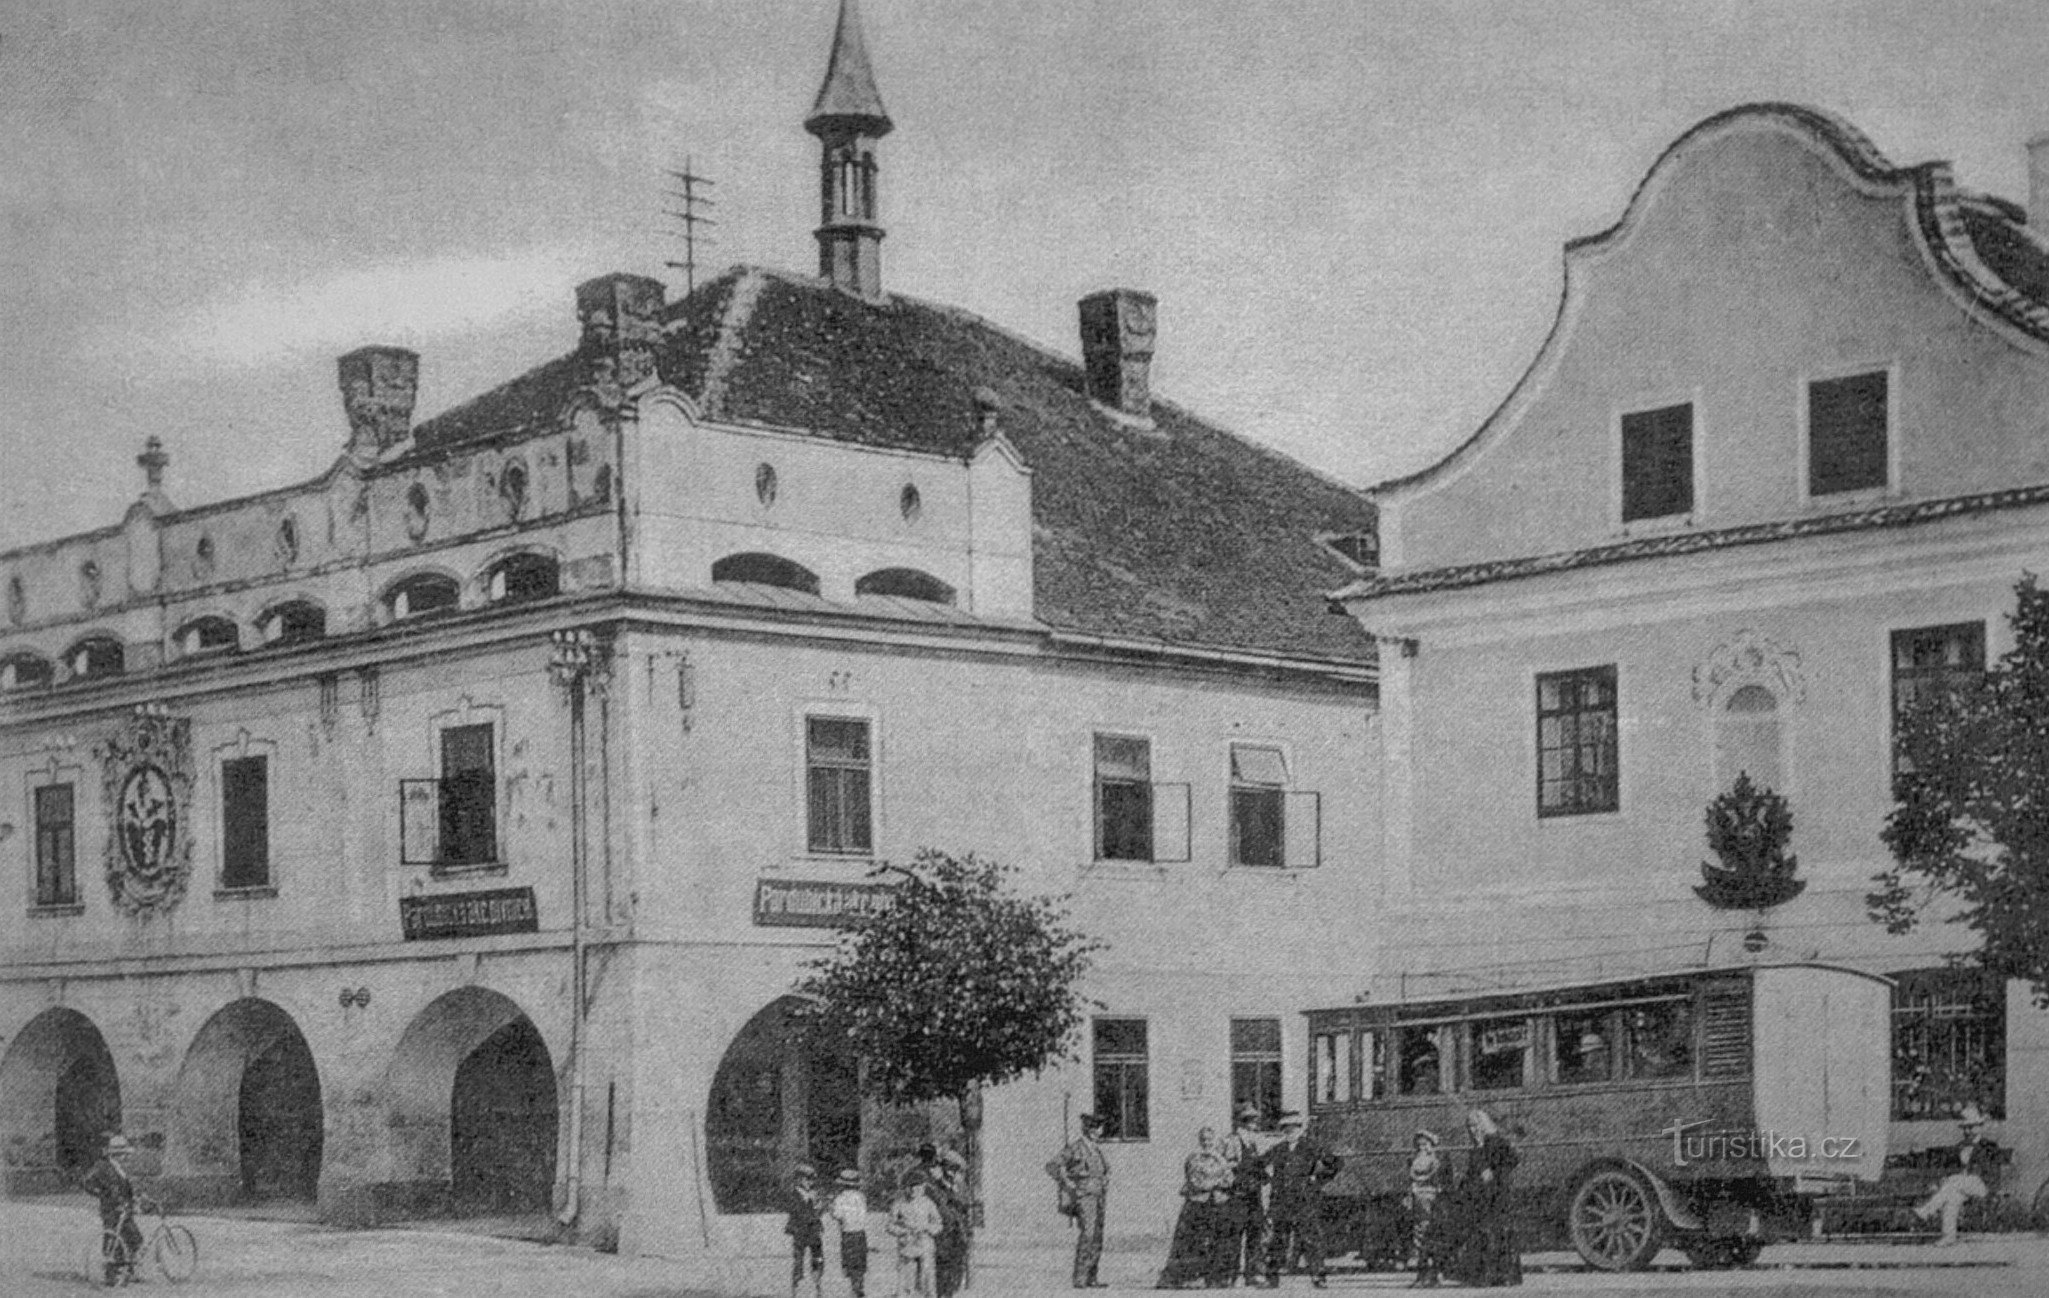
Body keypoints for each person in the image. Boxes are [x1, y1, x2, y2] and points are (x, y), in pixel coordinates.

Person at [1263, 1111, 1343, 1288]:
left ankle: (1318, 1276)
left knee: (1311, 1239)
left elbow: (1336, 1163)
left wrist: (1318, 1180)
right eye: (1286, 1128)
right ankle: (1272, 1277)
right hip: (1282, 1201)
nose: (1290, 1131)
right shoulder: (1278, 1149)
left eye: (1294, 1128)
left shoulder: (1311, 1147)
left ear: (1300, 1129)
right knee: (1278, 1239)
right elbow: (1260, 1165)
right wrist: (1267, 1179)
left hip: (1304, 1201)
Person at [1444, 1109, 1521, 1288]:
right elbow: (1473, 1172)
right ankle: (1489, 1275)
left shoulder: (1496, 1141)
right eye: (1469, 1126)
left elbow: (1513, 1160)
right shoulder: (1478, 1146)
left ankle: (1497, 1275)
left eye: (1475, 1125)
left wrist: (1495, 1173)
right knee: (1485, 1233)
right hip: (1482, 1197)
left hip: (1497, 1195)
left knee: (1493, 1233)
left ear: (1483, 1124)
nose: (1472, 1129)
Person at [1156, 1126, 1232, 1289]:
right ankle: (1190, 1277)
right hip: (1197, 1203)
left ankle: (1213, 1278)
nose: (1207, 1143)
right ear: (1200, 1141)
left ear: (1215, 1141)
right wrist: (1214, 1183)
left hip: (1216, 1203)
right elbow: (1194, 1180)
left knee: (1216, 1240)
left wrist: (1217, 1184)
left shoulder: (1220, 1158)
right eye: (1204, 1140)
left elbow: (1229, 1179)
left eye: (1210, 1140)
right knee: (1193, 1241)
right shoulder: (1194, 1158)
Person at [1914, 1105, 1999, 1246]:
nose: (1967, 1131)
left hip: (1981, 1185)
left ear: (1979, 1127)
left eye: (1970, 1127)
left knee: (1954, 1181)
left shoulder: (1988, 1146)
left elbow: (1991, 1171)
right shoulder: (1960, 1146)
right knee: (1952, 1197)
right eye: (1965, 1128)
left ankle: (1927, 1211)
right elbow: (1949, 1167)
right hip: (1962, 1186)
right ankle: (1949, 1236)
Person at [1047, 1113, 1111, 1288]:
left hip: (1098, 1197)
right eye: (1098, 1128)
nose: (1101, 1131)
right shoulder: (1076, 1148)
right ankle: (1080, 1278)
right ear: (1090, 1130)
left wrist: (1105, 1179)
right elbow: (1053, 1165)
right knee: (1088, 1235)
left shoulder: (1096, 1149)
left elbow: (1104, 1171)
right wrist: (1068, 1183)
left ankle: (1092, 1276)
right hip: (1084, 1198)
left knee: (1097, 1237)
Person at [1219, 1103, 1273, 1287]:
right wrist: (1232, 1181)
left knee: (1256, 1233)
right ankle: (1230, 1274)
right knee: (1234, 1235)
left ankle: (1254, 1273)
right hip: (1237, 1194)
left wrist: (1264, 1176)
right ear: (1243, 1122)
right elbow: (1223, 1166)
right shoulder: (1230, 1141)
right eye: (1251, 1121)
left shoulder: (1256, 1141)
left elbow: (1263, 1165)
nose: (1255, 1124)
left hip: (1254, 1194)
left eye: (1255, 1120)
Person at [81, 1133, 144, 1288]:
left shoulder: (120, 1168)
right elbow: (86, 1182)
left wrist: (134, 1199)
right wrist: (102, 1194)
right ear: (116, 1153)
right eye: (123, 1154)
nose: (126, 1157)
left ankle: (128, 1271)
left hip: (124, 1210)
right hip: (111, 1210)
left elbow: (125, 1188)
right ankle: (112, 1275)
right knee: (113, 1242)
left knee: (135, 1239)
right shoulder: (102, 1166)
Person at [887, 1172, 944, 1298]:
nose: (913, 1190)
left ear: (923, 1187)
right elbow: (890, 1225)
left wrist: (927, 1228)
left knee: (927, 1279)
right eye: (910, 1186)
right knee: (906, 1281)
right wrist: (902, 1231)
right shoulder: (899, 1203)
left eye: (917, 1186)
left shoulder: (928, 1203)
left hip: (925, 1245)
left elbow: (939, 1224)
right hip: (907, 1246)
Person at [1405, 1130, 1447, 1288]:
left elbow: (1437, 1180)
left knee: (1432, 1236)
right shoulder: (1413, 1161)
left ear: (1431, 1144)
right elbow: (1411, 1180)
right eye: (1419, 1144)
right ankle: (1422, 1273)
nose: (1422, 1147)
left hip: (1431, 1200)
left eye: (1425, 1144)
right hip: (1418, 1201)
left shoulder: (1436, 1161)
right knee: (1419, 1238)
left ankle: (1434, 1273)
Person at [929, 1149, 971, 1298]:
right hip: (943, 1233)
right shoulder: (934, 1186)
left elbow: (965, 1205)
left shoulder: (961, 1185)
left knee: (956, 1271)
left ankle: (950, 1292)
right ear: (943, 1167)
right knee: (942, 1270)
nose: (951, 1171)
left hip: (958, 1234)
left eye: (954, 1168)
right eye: (948, 1167)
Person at [785, 1164, 827, 1298]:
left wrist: (819, 1207)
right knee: (798, 1259)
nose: (810, 1182)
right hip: (800, 1230)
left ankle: (818, 1284)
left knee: (818, 1258)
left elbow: (820, 1210)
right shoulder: (794, 1193)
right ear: (799, 1179)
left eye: (812, 1179)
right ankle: (796, 1287)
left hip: (813, 1230)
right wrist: (811, 1204)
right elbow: (795, 1210)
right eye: (807, 1179)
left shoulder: (814, 1193)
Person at [831, 1168, 873, 1298]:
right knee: (860, 1262)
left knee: (850, 1262)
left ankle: (854, 1288)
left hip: (848, 1233)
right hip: (860, 1233)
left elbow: (837, 1215)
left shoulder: (840, 1199)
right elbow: (863, 1214)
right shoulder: (861, 1197)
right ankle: (859, 1284)